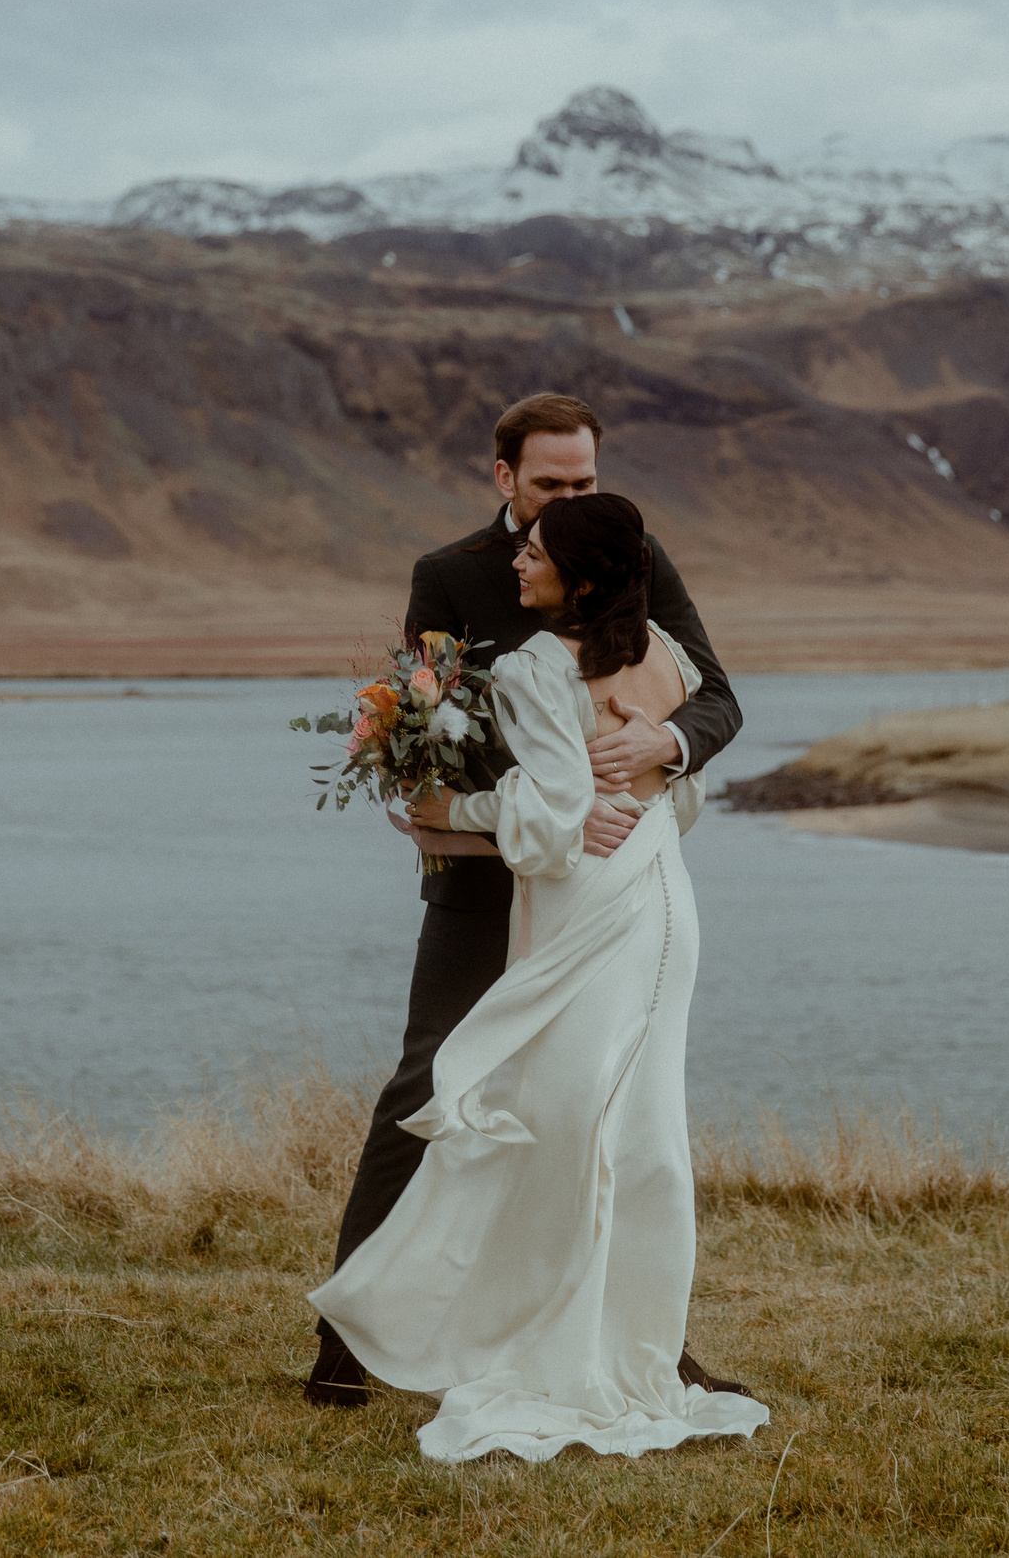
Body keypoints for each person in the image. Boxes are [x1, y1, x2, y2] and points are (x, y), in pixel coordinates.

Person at [310, 490, 766, 1460]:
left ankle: (578, 1344)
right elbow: (602, 793)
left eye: (541, 552)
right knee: (635, 1130)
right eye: (523, 534)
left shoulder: (529, 668)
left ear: (583, 571)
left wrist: (448, 811)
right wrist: (642, 774)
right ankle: (612, 1336)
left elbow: (558, 822)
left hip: (589, 911)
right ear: (506, 470)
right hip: (664, 903)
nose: (521, 560)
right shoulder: (659, 657)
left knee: (543, 1119)